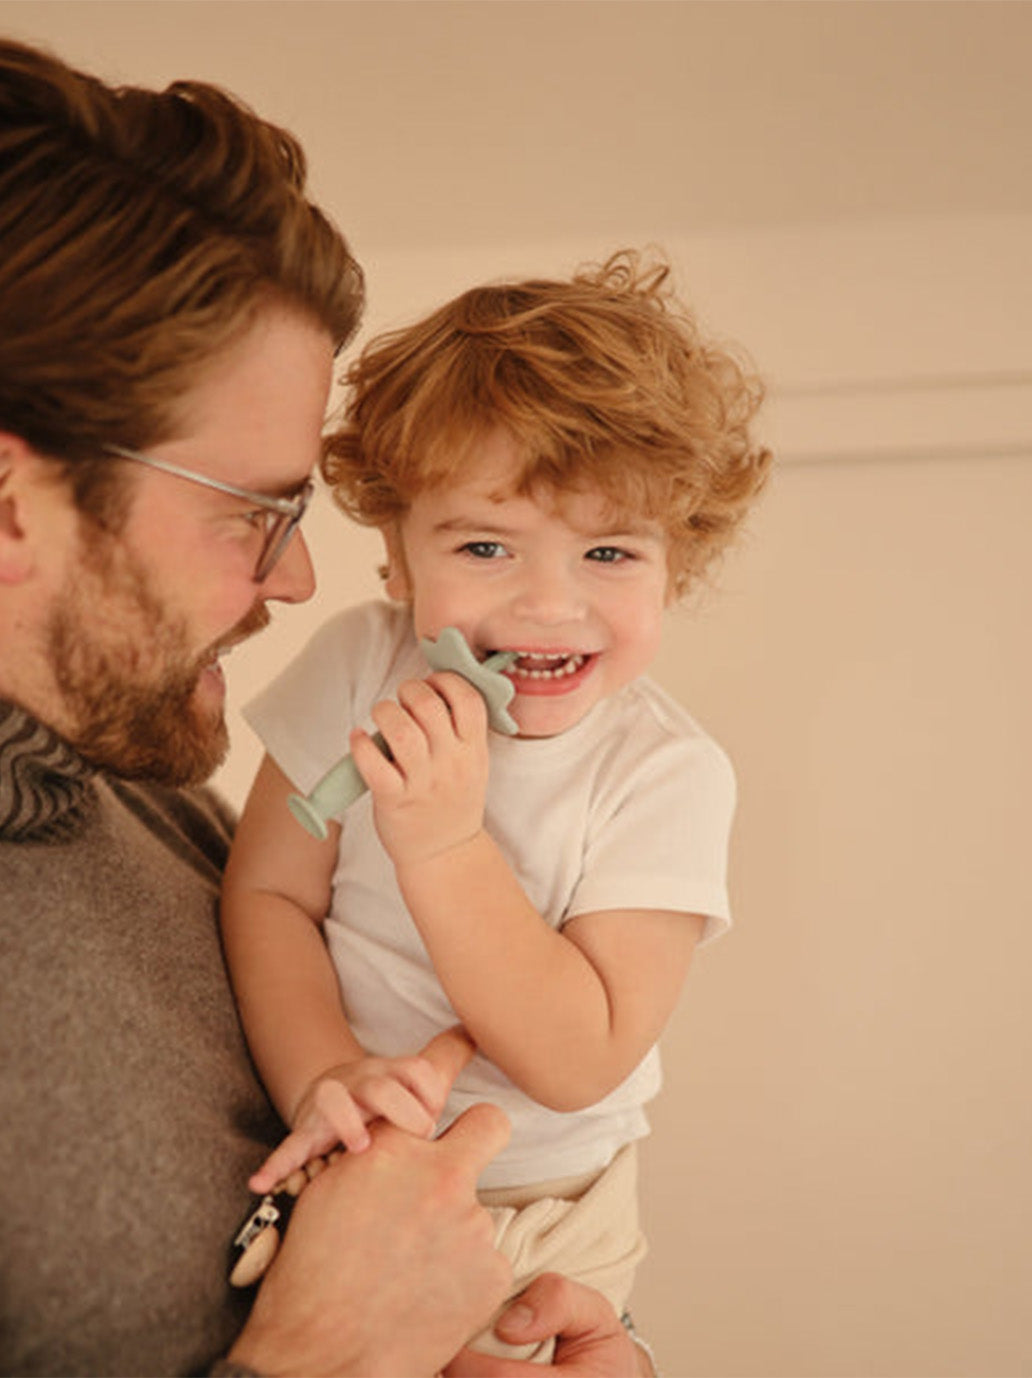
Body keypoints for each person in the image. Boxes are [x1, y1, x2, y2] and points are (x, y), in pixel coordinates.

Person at [0, 37, 643, 1378]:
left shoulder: (137, 786)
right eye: (255, 510)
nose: (300, 578)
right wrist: (321, 1356)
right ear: (11, 504)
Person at [220, 252, 772, 1361]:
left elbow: (578, 1057)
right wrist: (323, 1073)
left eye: (610, 551)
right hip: (350, 1161)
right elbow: (269, 890)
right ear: (396, 557)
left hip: (551, 1211)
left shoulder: (668, 774)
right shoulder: (355, 669)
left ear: (679, 564)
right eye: (484, 546)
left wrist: (443, 844)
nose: (550, 603)